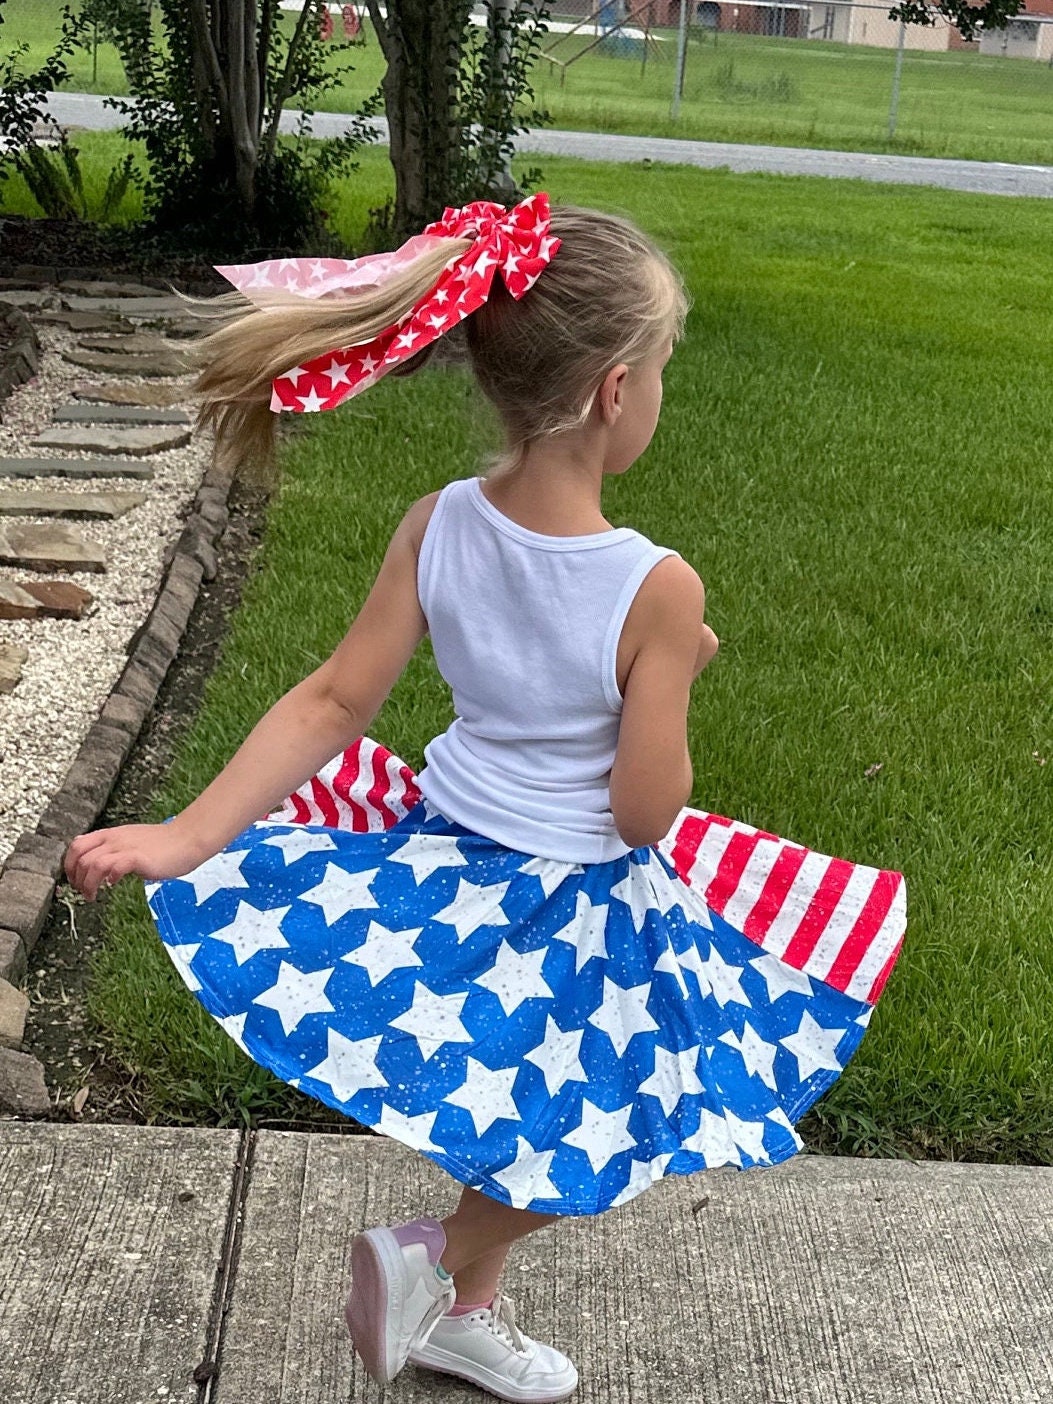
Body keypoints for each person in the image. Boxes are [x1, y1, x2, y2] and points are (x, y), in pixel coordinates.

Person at [63, 194, 906, 1404]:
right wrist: (687, 668)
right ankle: (434, 1257)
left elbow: (332, 704)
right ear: (617, 391)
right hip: (579, 904)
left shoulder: (439, 521)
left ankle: (464, 1319)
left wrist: (187, 836)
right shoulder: (655, 590)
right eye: (663, 368)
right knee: (619, 1127)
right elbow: (643, 813)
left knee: (513, 1100)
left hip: (446, 851)